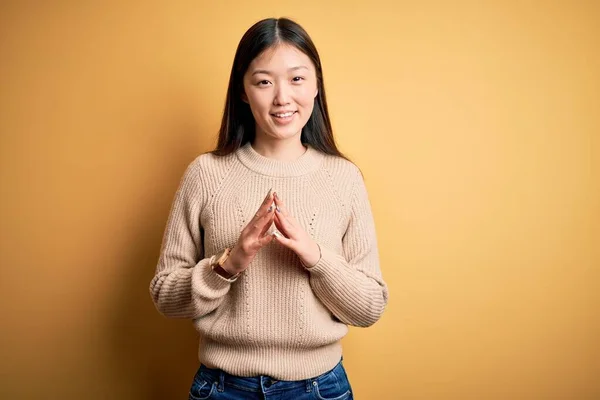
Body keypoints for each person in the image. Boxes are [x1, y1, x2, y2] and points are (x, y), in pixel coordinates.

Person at [149, 17, 389, 400]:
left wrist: (315, 257)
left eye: (297, 79)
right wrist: (228, 263)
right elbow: (165, 297)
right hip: (223, 388)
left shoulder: (344, 178)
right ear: (243, 91)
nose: (282, 98)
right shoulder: (206, 174)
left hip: (319, 389)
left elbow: (369, 307)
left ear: (316, 85)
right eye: (263, 81)